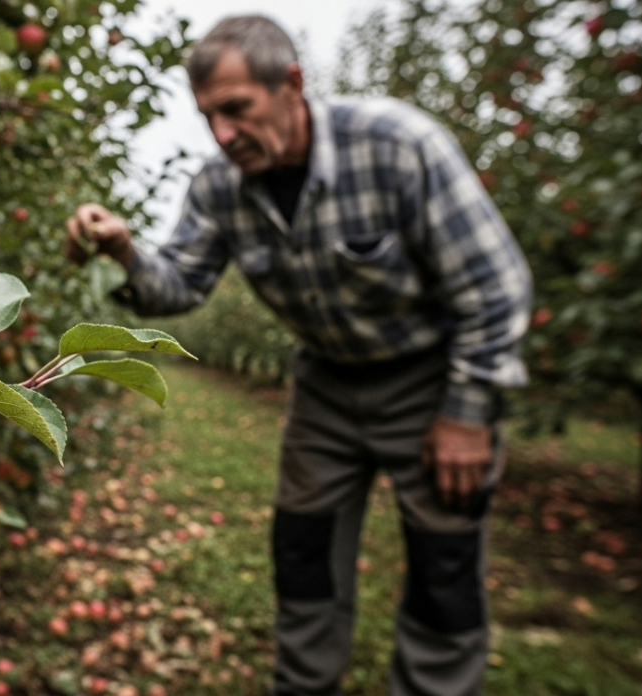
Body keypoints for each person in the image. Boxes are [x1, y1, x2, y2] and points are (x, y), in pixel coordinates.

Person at [64, 15, 532, 696]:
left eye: (236, 109)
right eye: (208, 118)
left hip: (431, 378)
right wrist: (125, 250)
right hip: (325, 384)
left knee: (444, 563)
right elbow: (179, 287)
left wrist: (467, 414)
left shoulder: (398, 145)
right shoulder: (220, 185)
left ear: (290, 84)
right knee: (302, 550)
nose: (222, 134)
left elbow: (496, 288)